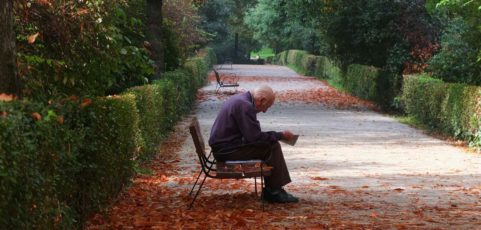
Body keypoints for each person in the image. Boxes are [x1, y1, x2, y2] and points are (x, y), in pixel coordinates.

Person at [208, 85, 299, 203]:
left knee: (269, 145)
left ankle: (273, 189)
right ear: (261, 100)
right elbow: (255, 138)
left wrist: (275, 135)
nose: (265, 111)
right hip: (227, 151)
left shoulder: (241, 100)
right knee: (272, 147)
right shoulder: (245, 106)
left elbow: (251, 136)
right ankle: (274, 192)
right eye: (267, 106)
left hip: (224, 148)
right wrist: (279, 135)